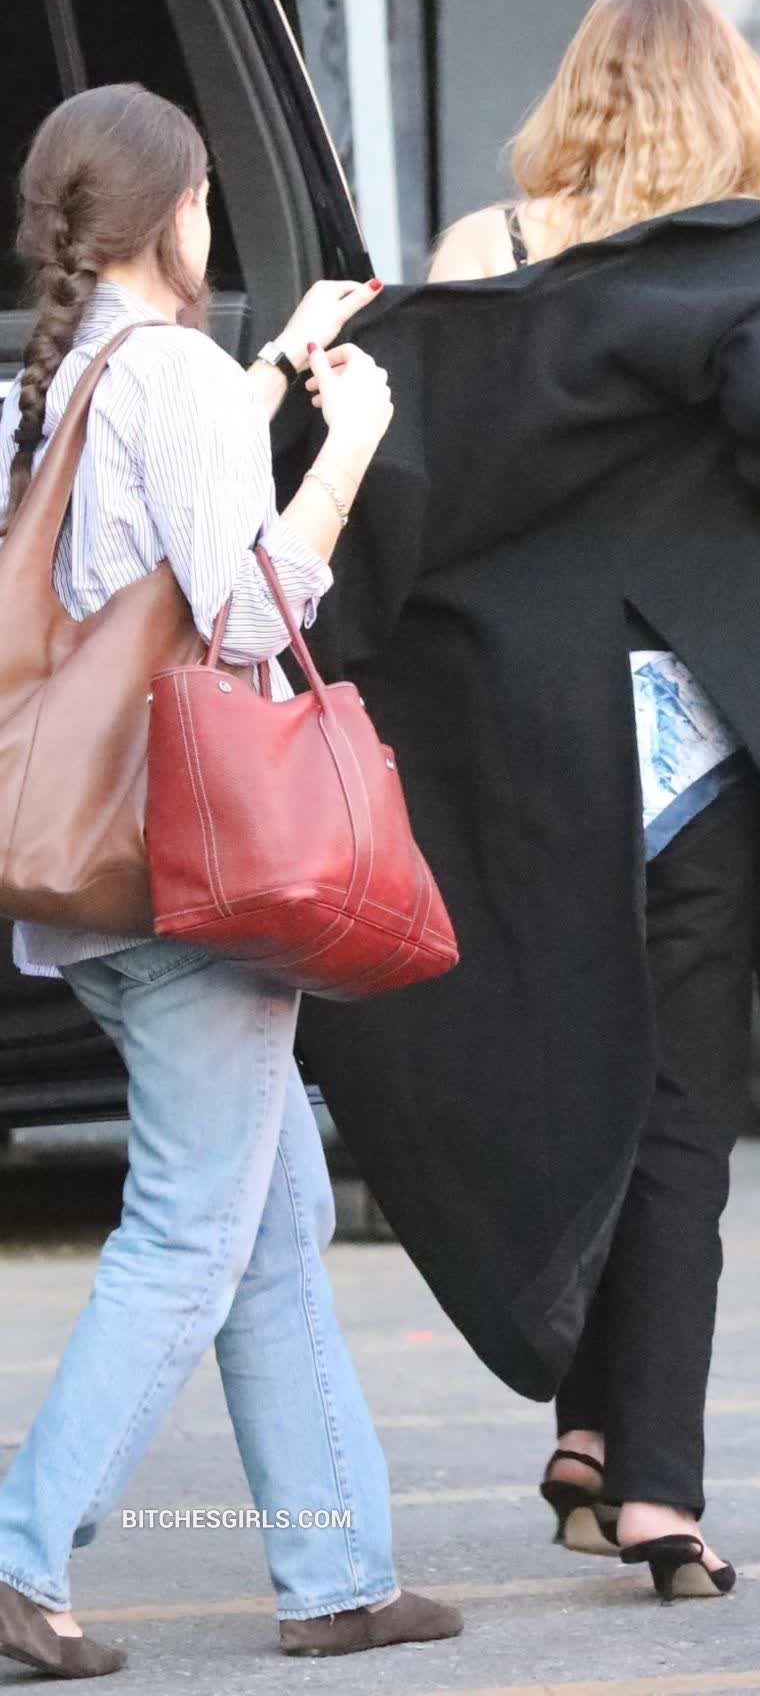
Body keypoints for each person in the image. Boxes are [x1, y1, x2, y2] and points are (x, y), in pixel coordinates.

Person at [298, 0, 760, 1601]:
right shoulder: (747, 264)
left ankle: (587, 1429)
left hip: (517, 747)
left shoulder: (483, 254)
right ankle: (659, 1495)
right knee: (680, 1107)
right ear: (732, 106)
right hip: (688, 749)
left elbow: (410, 477)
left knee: (569, 1059)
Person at [0, 85, 462, 1679]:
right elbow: (249, 612)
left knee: (268, 1225)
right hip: (192, 869)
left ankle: (337, 1572)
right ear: (183, 210)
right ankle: (20, 1555)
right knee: (193, 1229)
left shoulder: (56, 387)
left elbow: (142, 553)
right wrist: (350, 443)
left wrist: (265, 380)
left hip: (91, 865)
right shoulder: (176, 376)